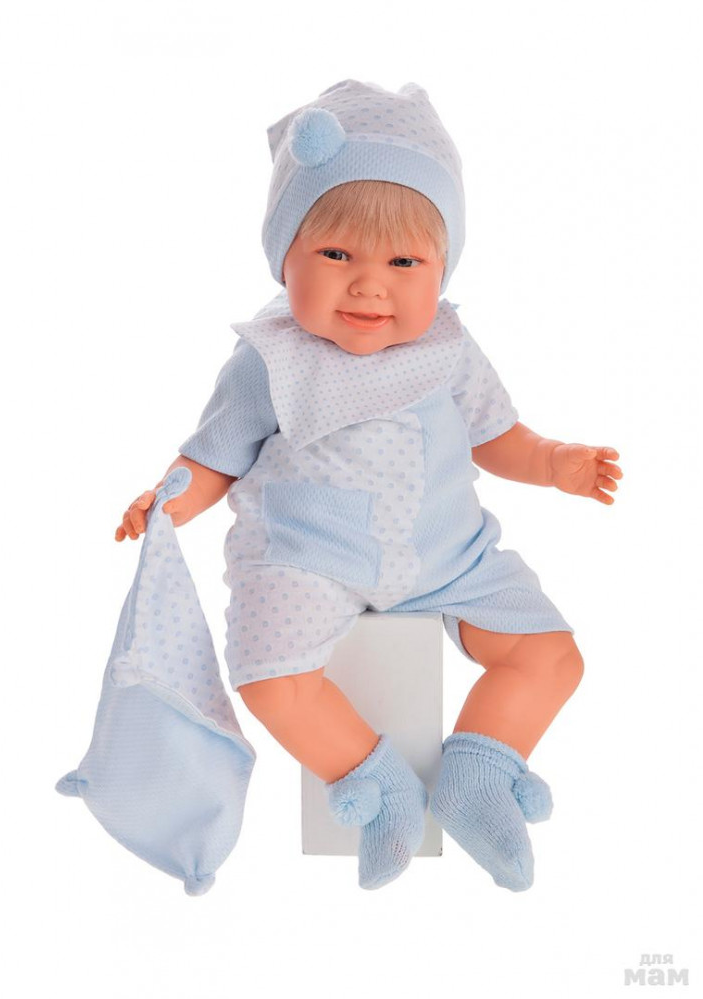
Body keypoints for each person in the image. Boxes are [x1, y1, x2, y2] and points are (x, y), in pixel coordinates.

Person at [115, 80, 622, 892]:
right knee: (269, 675)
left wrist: (554, 461)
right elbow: (215, 455)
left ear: (442, 268)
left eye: (403, 262)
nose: (369, 284)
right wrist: (167, 501)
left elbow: (498, 435)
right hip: (308, 556)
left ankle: (479, 773)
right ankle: (375, 778)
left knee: (551, 655)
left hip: (448, 555)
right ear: (285, 256)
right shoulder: (271, 357)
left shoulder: (449, 347)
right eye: (337, 255)